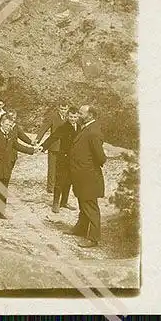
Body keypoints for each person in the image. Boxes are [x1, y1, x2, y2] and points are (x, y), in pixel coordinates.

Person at [66, 104, 106, 247]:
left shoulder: (93, 131)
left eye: (81, 113)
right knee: (83, 202)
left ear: (90, 115)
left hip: (88, 175)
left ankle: (94, 238)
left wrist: (87, 165)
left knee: (90, 205)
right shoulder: (87, 128)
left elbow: (101, 157)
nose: (79, 115)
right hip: (82, 174)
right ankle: (81, 229)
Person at [41, 106, 79, 213]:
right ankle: (56, 203)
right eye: (71, 116)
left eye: (75, 117)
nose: (73, 119)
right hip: (63, 158)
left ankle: (64, 202)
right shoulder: (64, 127)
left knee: (69, 181)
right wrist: (44, 146)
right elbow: (54, 136)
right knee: (60, 181)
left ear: (78, 117)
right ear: (68, 116)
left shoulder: (80, 127)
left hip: (73, 160)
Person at [35, 102, 70, 193]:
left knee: (62, 167)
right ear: (59, 108)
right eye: (62, 109)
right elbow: (44, 128)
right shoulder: (53, 117)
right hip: (54, 146)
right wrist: (38, 139)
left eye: (65, 109)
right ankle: (51, 188)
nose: (63, 111)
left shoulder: (69, 118)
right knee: (52, 168)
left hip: (65, 147)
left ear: (68, 109)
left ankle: (59, 186)